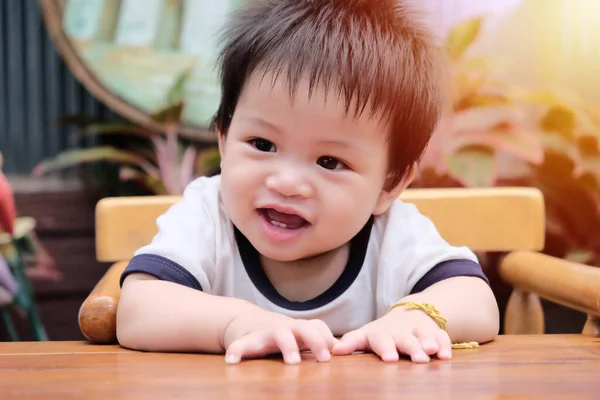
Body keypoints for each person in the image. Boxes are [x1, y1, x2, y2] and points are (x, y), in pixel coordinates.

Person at [116, 0, 499, 365]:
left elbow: (478, 301)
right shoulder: (208, 216)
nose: (287, 183)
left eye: (330, 162)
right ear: (224, 139)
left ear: (390, 186)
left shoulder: (394, 234)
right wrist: (235, 323)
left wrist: (417, 316)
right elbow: (137, 310)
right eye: (262, 144)